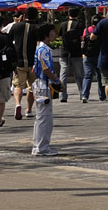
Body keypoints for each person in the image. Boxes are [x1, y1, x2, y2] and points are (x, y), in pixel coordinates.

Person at [31, 22, 60, 156]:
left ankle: (39, 146)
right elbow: (46, 68)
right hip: (44, 85)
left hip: (40, 85)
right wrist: (56, 80)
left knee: (41, 118)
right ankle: (42, 148)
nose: (54, 34)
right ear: (46, 34)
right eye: (52, 32)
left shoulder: (40, 48)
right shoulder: (44, 50)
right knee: (44, 118)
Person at [9, 6, 40, 120]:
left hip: (19, 62)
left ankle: (18, 104)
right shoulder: (37, 28)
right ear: (36, 16)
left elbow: (9, 41)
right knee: (31, 87)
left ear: (24, 16)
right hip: (33, 63)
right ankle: (29, 110)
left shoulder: (16, 26)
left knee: (18, 85)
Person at [57, 7, 85, 103]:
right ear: (77, 15)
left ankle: (62, 95)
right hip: (76, 52)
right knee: (79, 74)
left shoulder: (63, 24)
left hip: (64, 52)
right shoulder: (80, 24)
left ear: (68, 14)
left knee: (63, 74)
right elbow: (82, 38)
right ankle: (82, 94)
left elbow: (60, 37)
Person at [81, 14, 105, 103]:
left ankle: (84, 95)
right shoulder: (102, 30)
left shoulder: (86, 30)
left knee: (87, 76)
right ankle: (102, 96)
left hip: (87, 56)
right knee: (100, 77)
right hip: (99, 56)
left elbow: (83, 41)